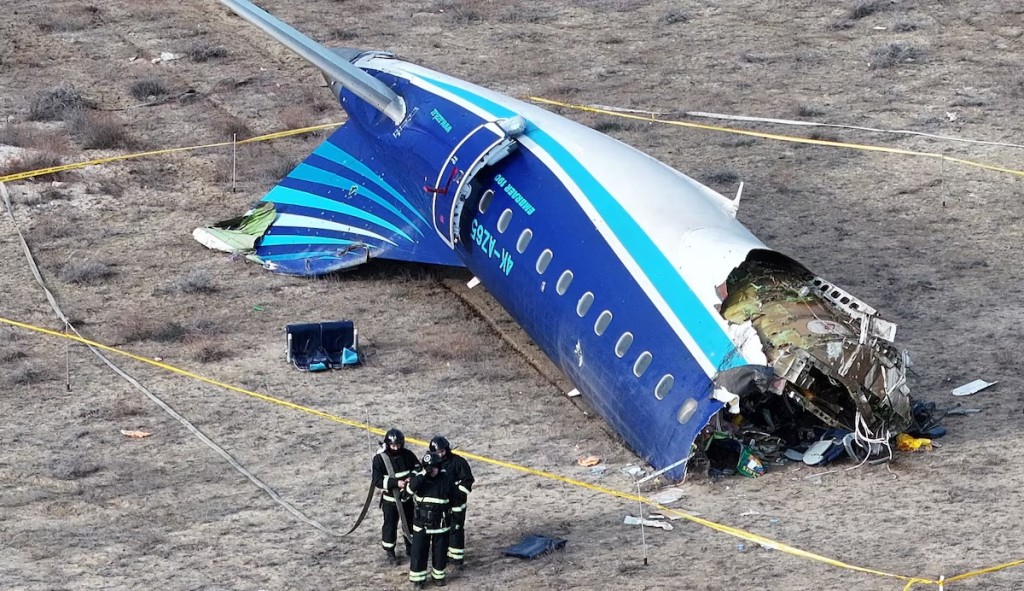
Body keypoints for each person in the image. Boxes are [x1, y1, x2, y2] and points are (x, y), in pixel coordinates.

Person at [407, 451, 456, 588]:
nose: (431, 470)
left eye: (434, 467)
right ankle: (418, 580)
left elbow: (453, 498)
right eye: (429, 467)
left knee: (440, 551)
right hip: (422, 523)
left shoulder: (446, 478)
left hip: (441, 522)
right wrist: (423, 474)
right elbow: (409, 490)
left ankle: (438, 576)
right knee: (418, 552)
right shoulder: (419, 479)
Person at [372, 428, 420, 565]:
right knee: (390, 526)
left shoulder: (408, 455)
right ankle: (390, 552)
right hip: (390, 500)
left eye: (398, 445)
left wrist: (411, 478)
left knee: (410, 524)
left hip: (407, 498)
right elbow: (377, 480)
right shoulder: (380, 460)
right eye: (393, 445)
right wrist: (395, 483)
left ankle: (411, 548)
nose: (396, 448)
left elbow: (417, 468)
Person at [429, 435, 475, 566]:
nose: (441, 454)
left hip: (456, 505)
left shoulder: (458, 462)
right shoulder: (432, 464)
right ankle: (444, 555)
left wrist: (456, 495)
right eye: (437, 452)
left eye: (442, 451)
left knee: (456, 529)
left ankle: (456, 558)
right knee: (443, 530)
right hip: (441, 505)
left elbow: (467, 481)